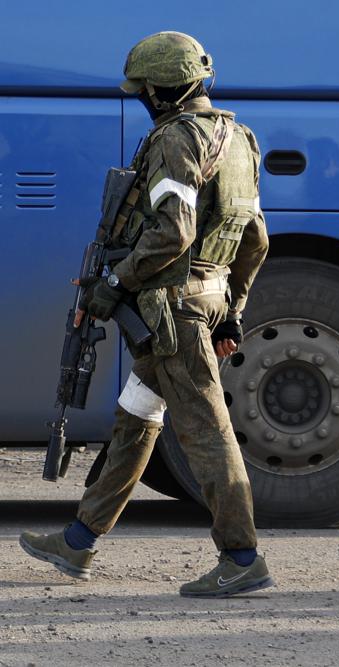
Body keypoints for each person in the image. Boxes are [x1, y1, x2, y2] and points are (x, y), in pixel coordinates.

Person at [19, 31, 273, 598]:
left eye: (144, 90)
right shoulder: (239, 138)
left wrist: (114, 282)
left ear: (160, 91)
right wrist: (232, 310)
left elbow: (173, 232)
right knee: (136, 418)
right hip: (202, 302)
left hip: (173, 311)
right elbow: (254, 238)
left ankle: (241, 558)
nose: (142, 98)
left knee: (207, 433)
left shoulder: (175, 139)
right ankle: (79, 541)